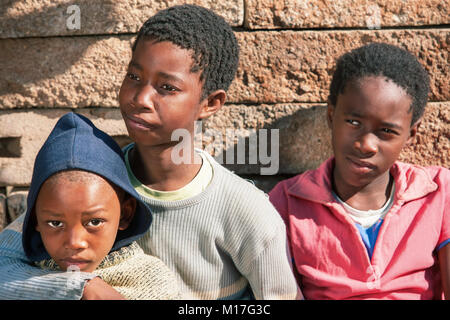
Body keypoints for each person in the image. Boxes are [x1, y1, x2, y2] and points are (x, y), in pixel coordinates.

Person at [0, 4, 299, 300]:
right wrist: (81, 287)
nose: (141, 98)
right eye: (134, 77)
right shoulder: (92, 181)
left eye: (167, 87)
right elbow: (4, 264)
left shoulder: (245, 210)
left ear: (210, 103)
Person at [269, 42, 450, 299]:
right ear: (331, 116)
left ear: (411, 134)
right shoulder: (288, 201)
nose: (365, 144)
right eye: (353, 122)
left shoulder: (438, 193)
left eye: (386, 131)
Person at [1, 112, 180, 300]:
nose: (74, 242)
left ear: (125, 214)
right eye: (55, 223)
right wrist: (80, 286)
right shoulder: (19, 266)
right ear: (34, 217)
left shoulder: (155, 283)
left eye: (94, 222)